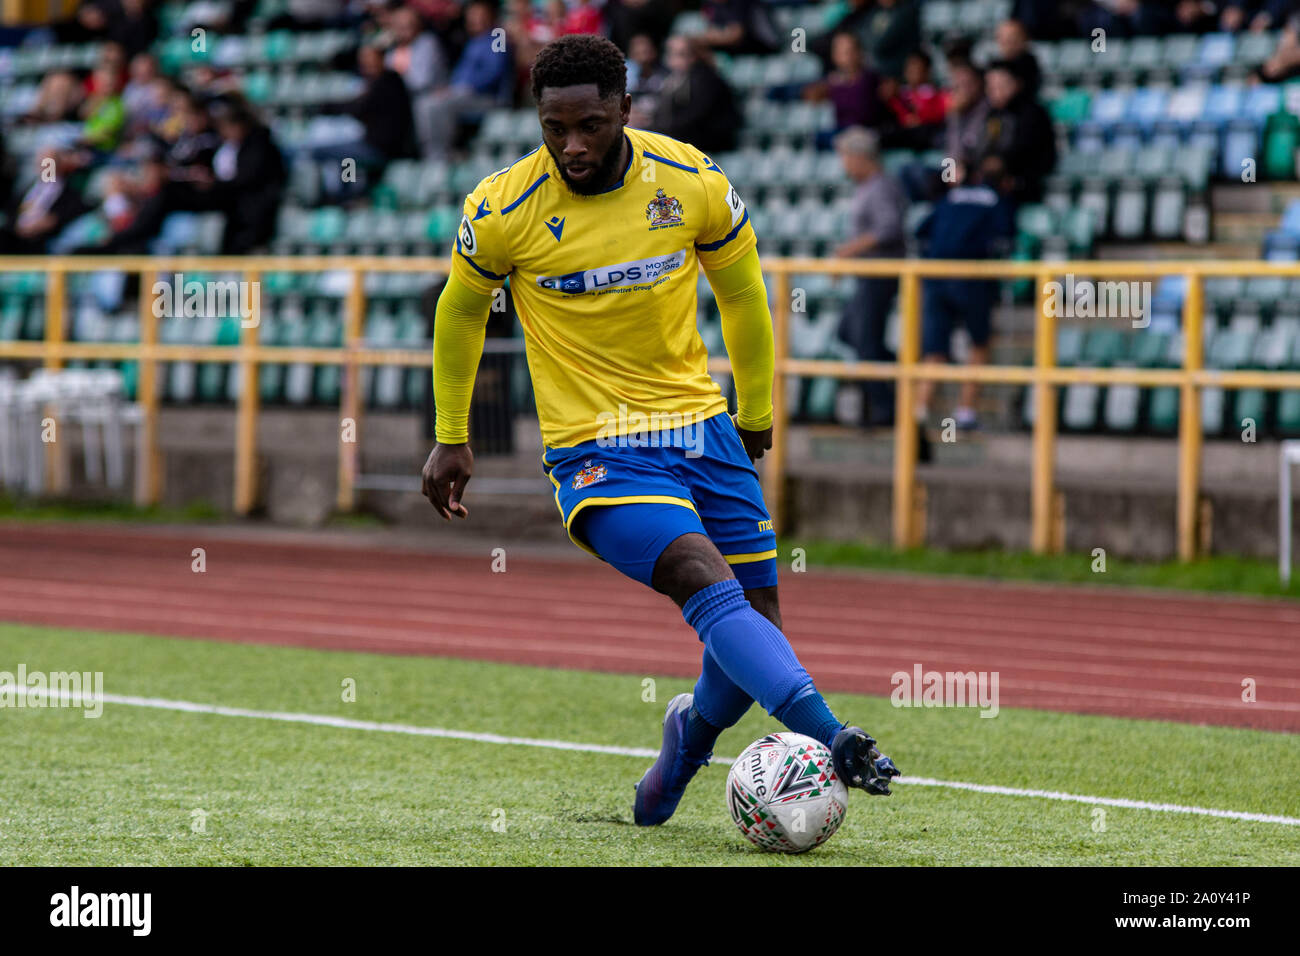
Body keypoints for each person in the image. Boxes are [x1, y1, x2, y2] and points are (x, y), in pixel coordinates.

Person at [423, 34, 900, 826]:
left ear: (625, 111)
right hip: (595, 448)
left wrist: (754, 413)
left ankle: (686, 741)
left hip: (701, 429)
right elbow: (462, 307)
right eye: (554, 127)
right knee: (697, 573)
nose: (572, 145)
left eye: (590, 125)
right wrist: (451, 432)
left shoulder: (689, 180)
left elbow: (744, 293)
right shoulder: (502, 207)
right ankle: (832, 734)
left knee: (756, 624)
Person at [913, 161, 1015, 438]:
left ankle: (919, 410)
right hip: (973, 278)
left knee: (934, 350)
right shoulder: (995, 201)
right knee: (979, 344)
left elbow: (920, 231)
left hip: (936, 277)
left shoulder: (949, 198)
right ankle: (965, 412)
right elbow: (1005, 236)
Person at [833, 126, 907, 427]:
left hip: (881, 274)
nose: (844, 165)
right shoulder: (870, 186)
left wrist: (848, 251)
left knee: (865, 339)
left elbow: (889, 228)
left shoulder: (881, 187)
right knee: (851, 332)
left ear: (861, 157)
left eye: (846, 157)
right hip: (869, 274)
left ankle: (886, 405)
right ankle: (894, 372)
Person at [419, 0, 513, 158]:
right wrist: (450, 89)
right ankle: (431, 154)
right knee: (425, 102)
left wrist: (464, 88)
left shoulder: (498, 36)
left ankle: (442, 155)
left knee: (437, 105)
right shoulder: (473, 41)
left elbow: (494, 71)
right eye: (472, 15)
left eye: (479, 14)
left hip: (487, 97)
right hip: (463, 94)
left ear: (490, 16)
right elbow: (460, 74)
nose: (474, 19)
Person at [979, 59, 1056, 204]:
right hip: (992, 180)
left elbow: (1028, 153)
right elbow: (984, 146)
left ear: (1018, 84)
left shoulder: (1033, 114)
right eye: (990, 86)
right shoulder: (993, 115)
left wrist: (1002, 164)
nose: (994, 91)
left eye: (1001, 85)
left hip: (1025, 184)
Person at [649, 35, 742, 154]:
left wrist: (661, 128)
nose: (673, 60)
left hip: (710, 140)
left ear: (694, 56)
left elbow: (696, 115)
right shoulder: (674, 79)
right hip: (689, 137)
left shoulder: (706, 79)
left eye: (680, 54)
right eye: (670, 54)